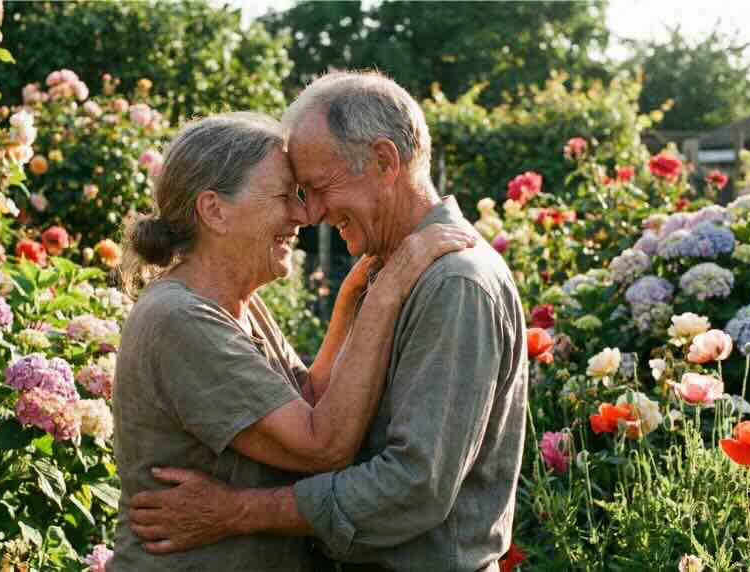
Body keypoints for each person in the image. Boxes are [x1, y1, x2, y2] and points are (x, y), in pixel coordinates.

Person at [128, 72, 530, 572]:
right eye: (292, 195)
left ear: (385, 161)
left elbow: (412, 484)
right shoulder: (392, 272)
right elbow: (318, 419)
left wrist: (240, 512)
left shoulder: (450, 282)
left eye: (316, 187)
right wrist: (367, 301)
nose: (309, 213)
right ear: (214, 210)